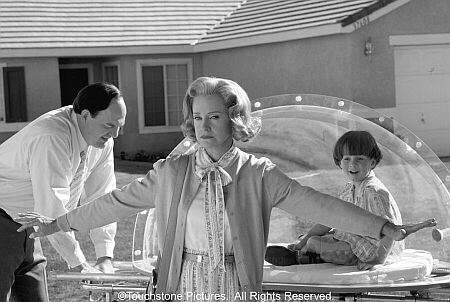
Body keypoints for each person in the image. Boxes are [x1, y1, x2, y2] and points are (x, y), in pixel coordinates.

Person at [16, 77, 435, 302]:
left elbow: (320, 204)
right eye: (197, 117)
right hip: (182, 283)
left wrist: (383, 228)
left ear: (235, 121)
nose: (204, 126)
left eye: (214, 117)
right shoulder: (172, 171)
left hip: (237, 282)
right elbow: (114, 203)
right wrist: (57, 224)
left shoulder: (258, 173)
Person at [0, 82, 126, 302]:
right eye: (109, 125)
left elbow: (103, 197)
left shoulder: (102, 141)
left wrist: (104, 256)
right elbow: (52, 209)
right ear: (85, 115)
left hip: (28, 225)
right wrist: (80, 265)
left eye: (119, 126)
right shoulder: (52, 136)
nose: (114, 134)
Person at [265, 130, 405, 270]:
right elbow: (331, 218)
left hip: (375, 249)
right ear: (339, 162)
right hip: (357, 240)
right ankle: (304, 250)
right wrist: (306, 238)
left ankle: (301, 258)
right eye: (347, 159)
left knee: (318, 244)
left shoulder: (373, 192)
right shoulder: (349, 189)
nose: (353, 164)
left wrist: (378, 260)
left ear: (372, 162)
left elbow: (392, 231)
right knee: (312, 239)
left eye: (360, 159)